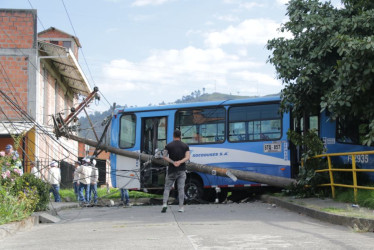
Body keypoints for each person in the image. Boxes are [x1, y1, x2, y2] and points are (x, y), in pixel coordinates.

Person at [161, 129, 190, 213]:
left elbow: (164, 156)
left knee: (167, 188)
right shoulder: (185, 146)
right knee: (181, 189)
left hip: (171, 170)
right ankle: (181, 207)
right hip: (181, 170)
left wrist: (173, 162)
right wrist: (179, 162)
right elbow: (187, 157)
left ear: (173, 136)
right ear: (180, 136)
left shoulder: (168, 145)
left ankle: (164, 204)